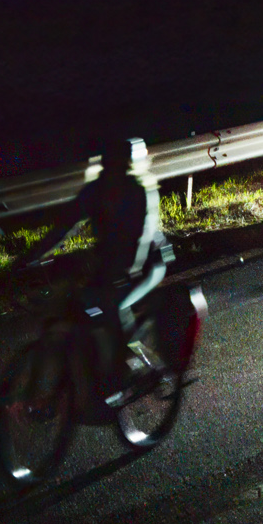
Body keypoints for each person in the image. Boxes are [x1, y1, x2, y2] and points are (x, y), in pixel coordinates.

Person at [34, 135, 172, 402]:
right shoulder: (95, 191)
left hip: (146, 263)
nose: (113, 168)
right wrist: (30, 258)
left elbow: (143, 237)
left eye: (118, 163)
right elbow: (63, 227)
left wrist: (125, 274)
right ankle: (98, 367)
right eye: (109, 162)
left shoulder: (138, 190)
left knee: (114, 307)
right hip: (111, 266)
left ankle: (121, 375)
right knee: (81, 308)